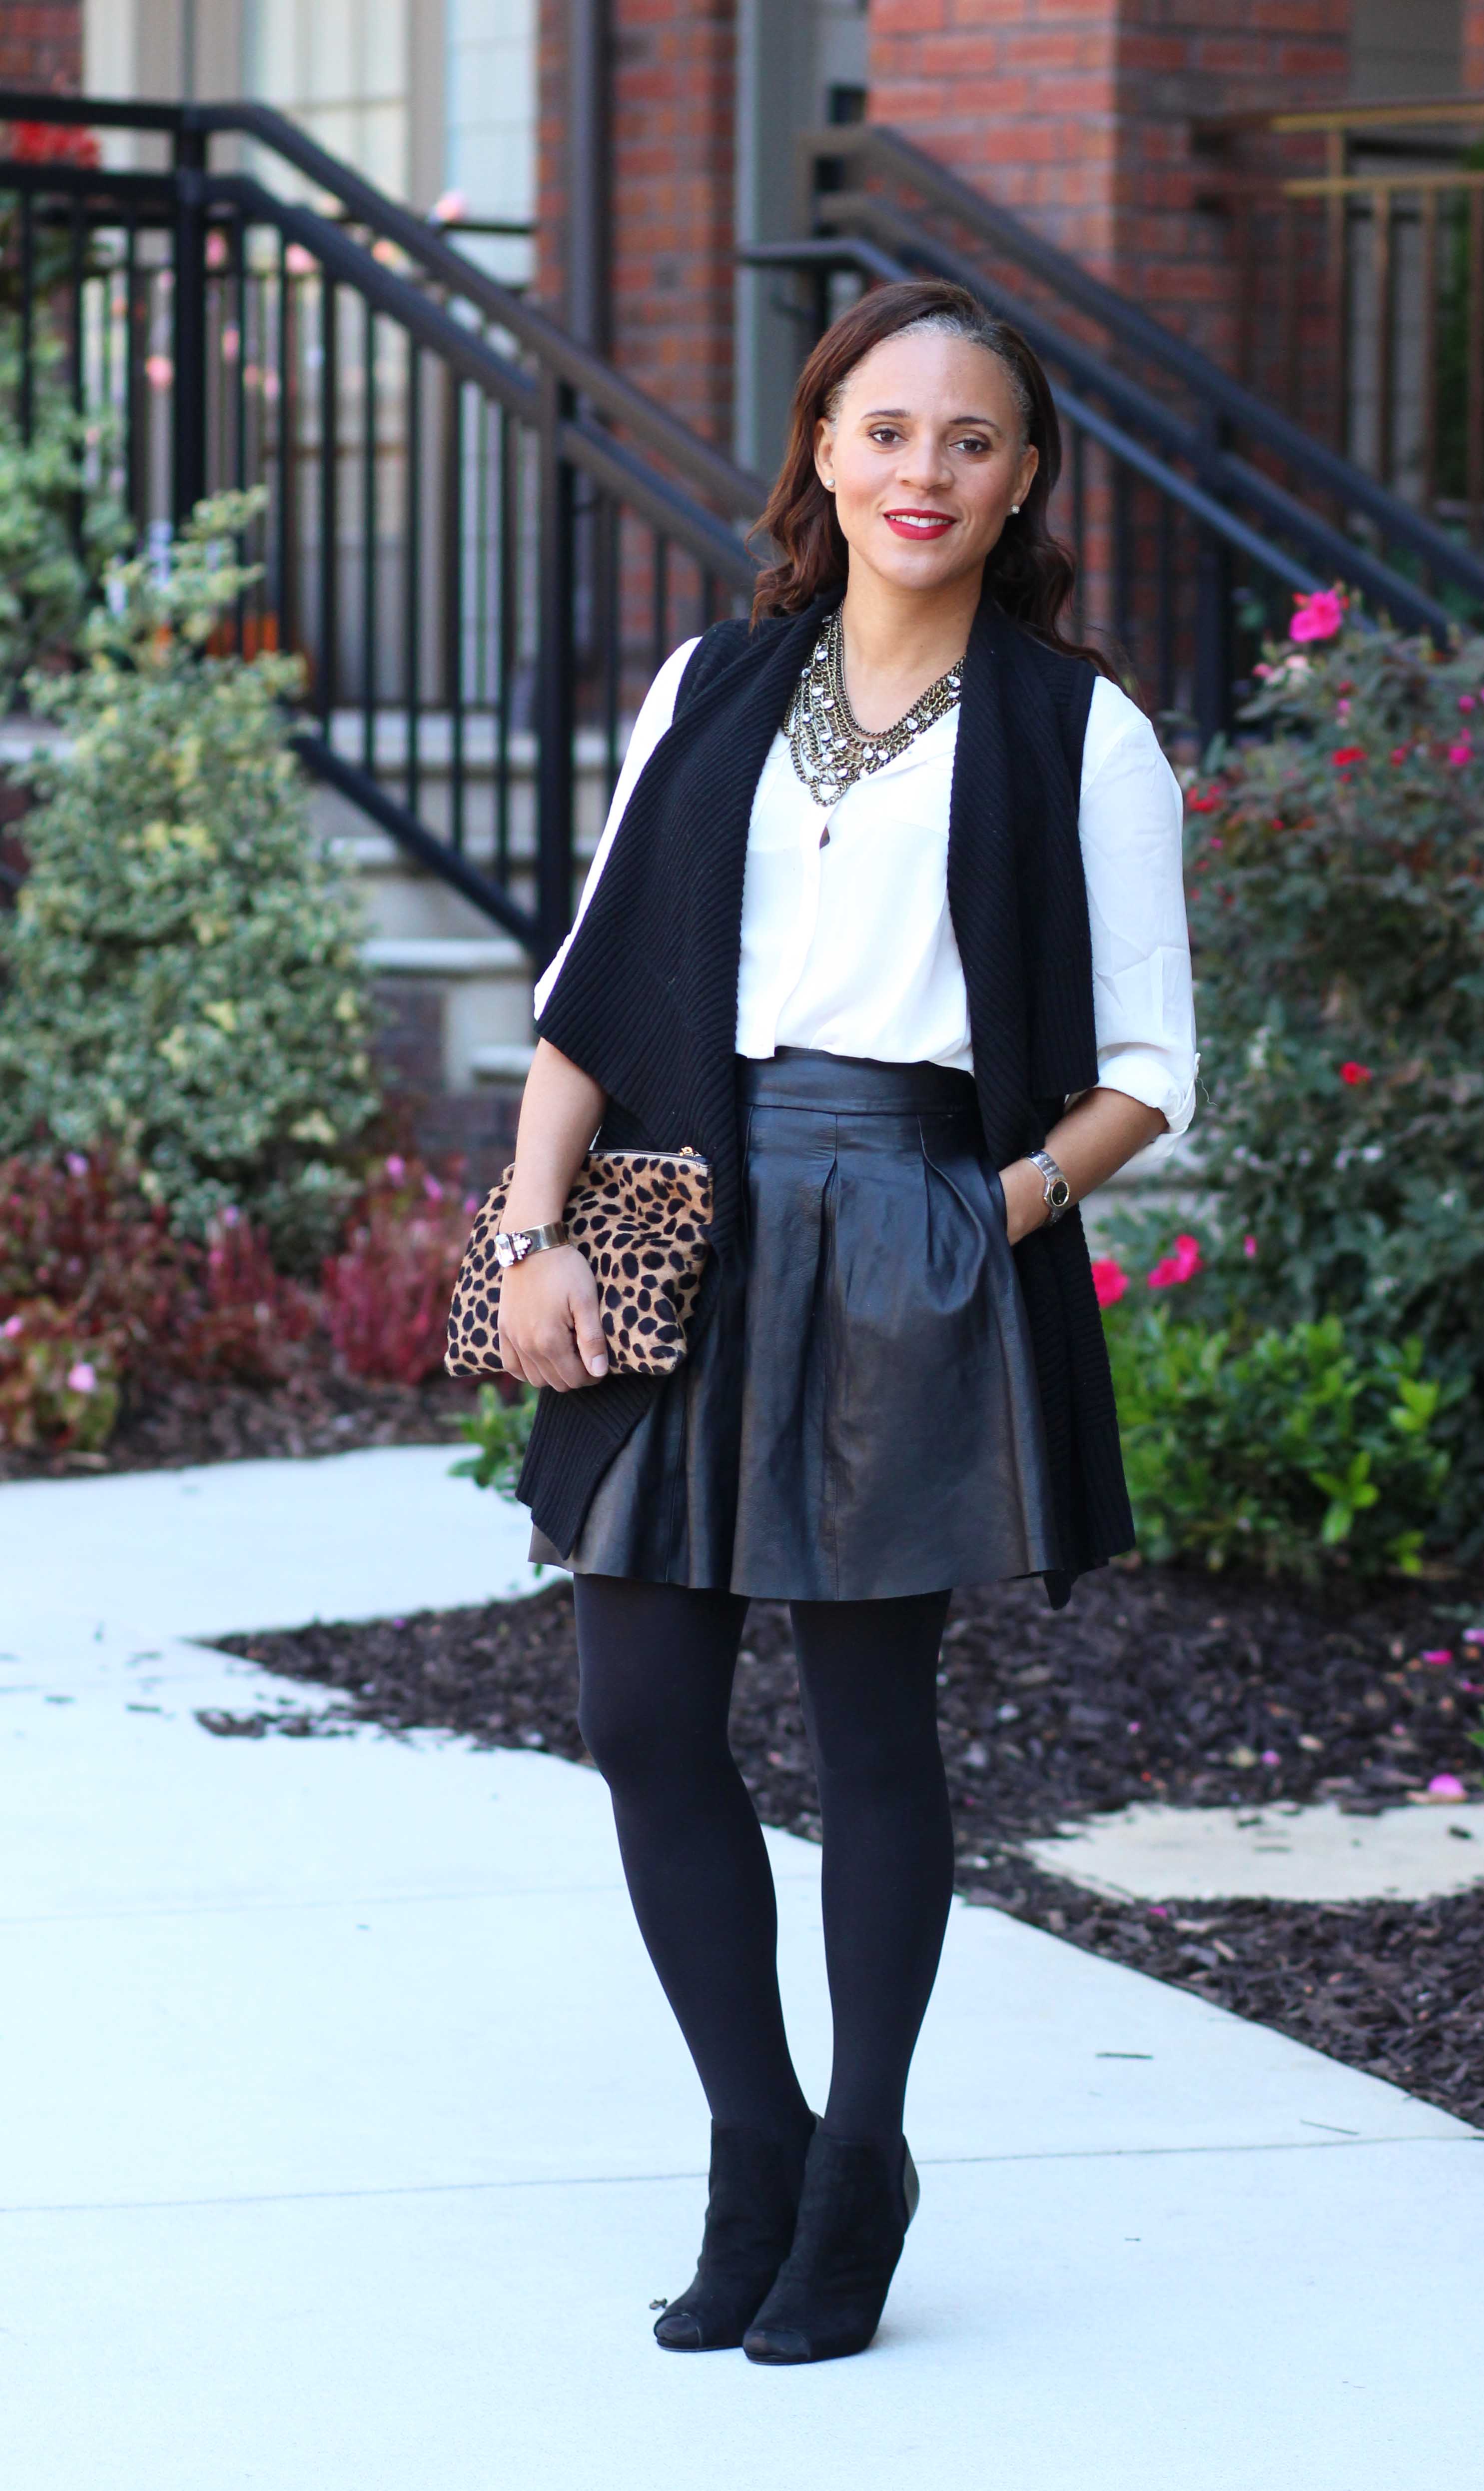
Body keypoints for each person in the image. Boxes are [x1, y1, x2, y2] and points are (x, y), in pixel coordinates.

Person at [495, 279, 1196, 2366]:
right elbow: (595, 987)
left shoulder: (1081, 732)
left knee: (871, 1727)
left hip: (911, 1224)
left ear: (1025, 478)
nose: (924, 472)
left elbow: (1151, 1066)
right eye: (886, 430)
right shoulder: (710, 685)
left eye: (971, 440)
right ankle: (759, 2145)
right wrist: (530, 1232)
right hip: (684, 1209)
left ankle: (863, 2159)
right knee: (641, 1716)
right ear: (821, 448)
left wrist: (989, 1212)